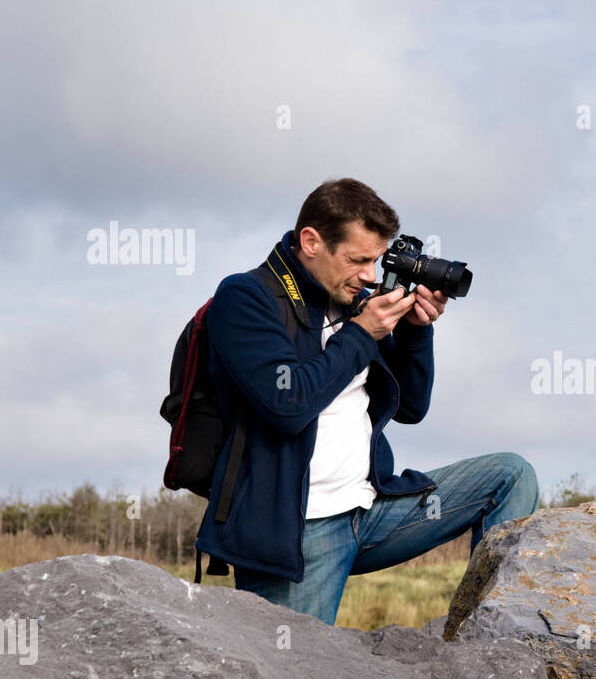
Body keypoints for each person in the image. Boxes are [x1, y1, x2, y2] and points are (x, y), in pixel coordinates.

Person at [195, 178, 538, 625]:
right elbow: (287, 405)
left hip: (371, 511)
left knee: (511, 475)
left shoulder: (353, 301)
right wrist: (361, 333)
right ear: (311, 242)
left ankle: (489, 640)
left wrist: (415, 331)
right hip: (297, 532)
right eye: (358, 260)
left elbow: (411, 408)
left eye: (376, 260)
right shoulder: (246, 297)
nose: (371, 276)